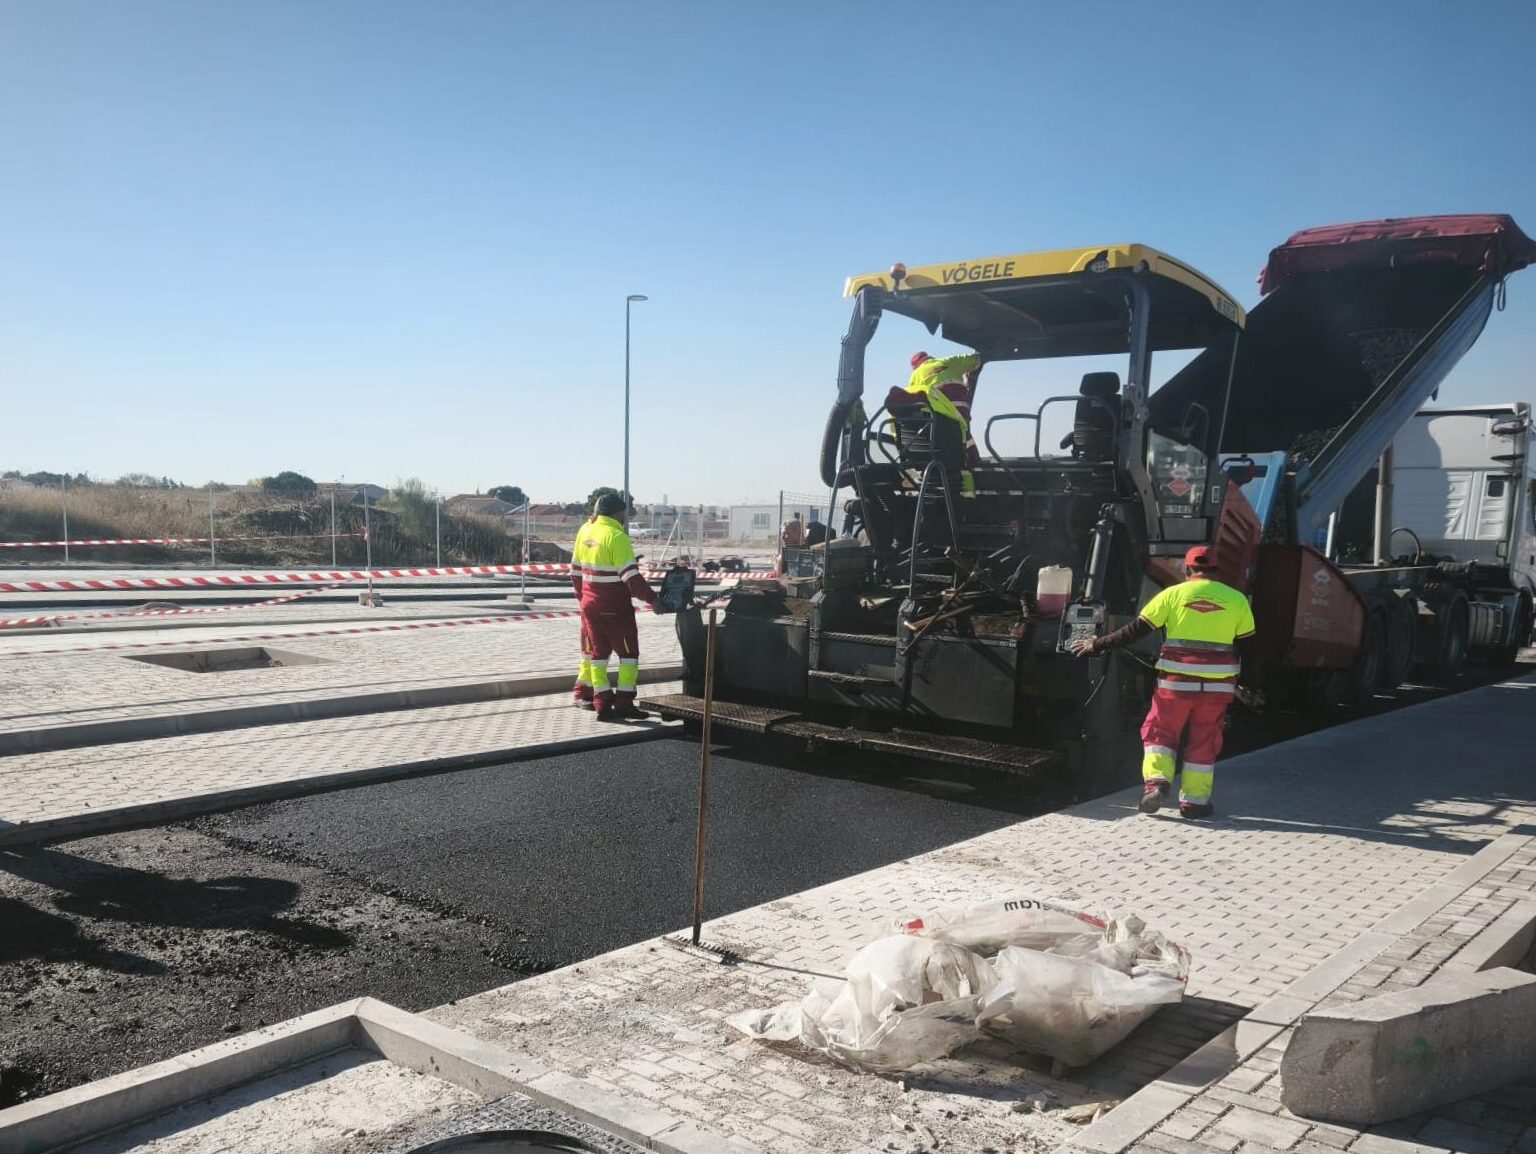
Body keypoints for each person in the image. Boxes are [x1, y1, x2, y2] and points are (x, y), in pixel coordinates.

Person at [1070, 545, 1256, 819]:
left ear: (1188, 569)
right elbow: (1249, 646)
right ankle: (1195, 803)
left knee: (1160, 733)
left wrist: (1098, 644)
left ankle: (1156, 785)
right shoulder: (1237, 599)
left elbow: (1135, 630)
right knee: (1204, 741)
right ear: (1216, 569)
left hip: (1176, 685)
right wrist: (1248, 684)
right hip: (1217, 688)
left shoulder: (1172, 594)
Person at [571, 492, 660, 721]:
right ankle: (624, 703)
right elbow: (632, 579)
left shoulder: (585, 531)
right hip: (615, 607)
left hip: (590, 606)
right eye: (625, 513)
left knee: (597, 655)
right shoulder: (616, 536)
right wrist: (654, 600)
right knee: (628, 655)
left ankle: (602, 704)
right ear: (619, 513)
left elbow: (575, 573)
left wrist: (584, 599)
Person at [885, 351, 985, 494]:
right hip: (952, 430)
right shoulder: (948, 362)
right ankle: (968, 502)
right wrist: (973, 369)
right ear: (930, 359)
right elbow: (976, 359)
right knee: (969, 463)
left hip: (923, 445)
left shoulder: (914, 379)